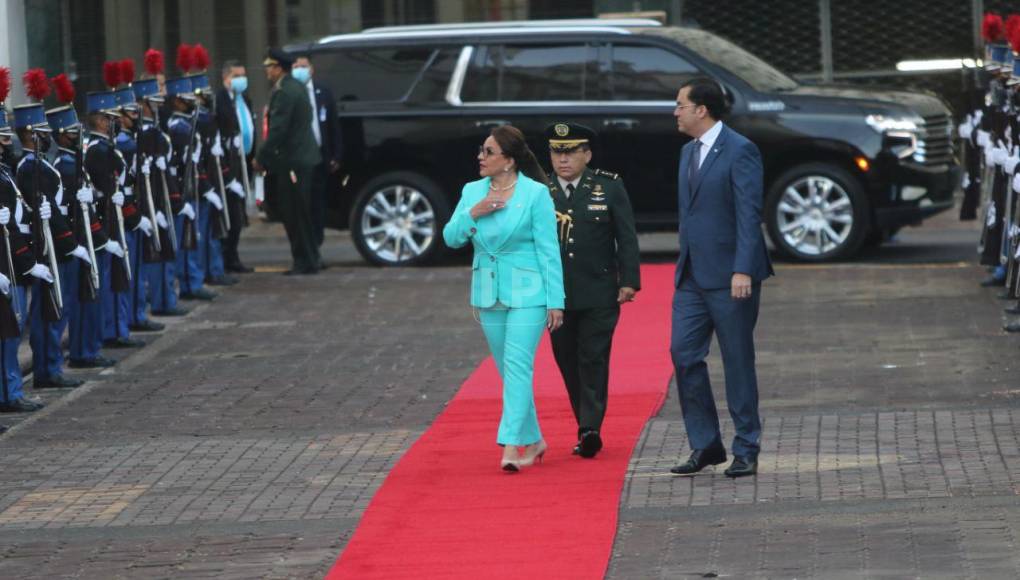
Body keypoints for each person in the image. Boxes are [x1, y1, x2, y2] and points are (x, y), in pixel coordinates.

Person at [442, 124, 564, 472]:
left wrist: (556, 300)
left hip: (529, 292)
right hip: (487, 292)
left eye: (489, 152)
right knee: (508, 372)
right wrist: (474, 213)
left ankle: (512, 444)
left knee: (517, 366)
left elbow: (548, 250)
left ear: (509, 160)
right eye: (481, 151)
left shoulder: (536, 194)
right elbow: (450, 238)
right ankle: (536, 439)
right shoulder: (471, 192)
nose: (481, 157)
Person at [668, 78, 773, 479]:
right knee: (683, 354)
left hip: (732, 275)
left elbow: (749, 213)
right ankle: (706, 444)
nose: (675, 112)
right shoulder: (686, 153)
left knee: (737, 361)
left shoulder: (741, 151)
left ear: (701, 110)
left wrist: (743, 268)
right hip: (692, 275)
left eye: (680, 105)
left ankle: (746, 446)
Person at [544, 122, 640, 459]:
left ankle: (590, 428)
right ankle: (583, 420)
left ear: (587, 154)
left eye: (571, 152)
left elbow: (625, 235)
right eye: (557, 152)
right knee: (567, 359)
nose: (563, 159)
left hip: (599, 290)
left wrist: (628, 280)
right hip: (556, 295)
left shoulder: (608, 186)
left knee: (593, 357)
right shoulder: (541, 191)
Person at [253, 48, 322, 275]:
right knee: (303, 212)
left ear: (278, 68)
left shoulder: (284, 92)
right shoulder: (296, 87)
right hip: (302, 158)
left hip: (293, 161)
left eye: (269, 67)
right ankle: (311, 258)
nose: (267, 72)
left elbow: (278, 130)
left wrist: (261, 156)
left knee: (295, 214)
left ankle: (304, 261)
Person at [0, 104, 45, 414]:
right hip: (6, 263)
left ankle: (10, 390)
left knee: (14, 330)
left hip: (14, 258)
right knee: (9, 331)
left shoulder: (5, 170)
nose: (7, 143)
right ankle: (9, 392)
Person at [292, 55, 341, 258]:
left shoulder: (323, 92)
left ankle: (316, 248)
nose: (300, 69)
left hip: (320, 156)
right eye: (296, 66)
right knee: (300, 205)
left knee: (318, 205)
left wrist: (336, 154)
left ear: (311, 69)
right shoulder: (290, 93)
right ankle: (305, 251)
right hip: (299, 158)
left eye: (304, 66)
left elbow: (333, 125)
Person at [215, 60, 255, 274]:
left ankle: (233, 256)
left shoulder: (244, 99)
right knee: (232, 214)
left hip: (244, 162)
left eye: (243, 75)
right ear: (227, 78)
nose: (242, 79)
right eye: (237, 75)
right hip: (228, 165)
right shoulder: (220, 100)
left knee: (239, 214)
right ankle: (227, 257)